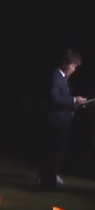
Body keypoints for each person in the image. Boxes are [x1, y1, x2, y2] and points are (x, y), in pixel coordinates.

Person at [40, 49, 88, 189]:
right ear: (67, 64)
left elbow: (64, 101)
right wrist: (74, 100)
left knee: (57, 151)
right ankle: (48, 180)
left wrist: (78, 105)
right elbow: (55, 98)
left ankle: (51, 177)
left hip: (61, 122)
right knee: (52, 151)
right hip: (55, 122)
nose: (74, 70)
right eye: (73, 66)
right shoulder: (56, 76)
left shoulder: (63, 80)